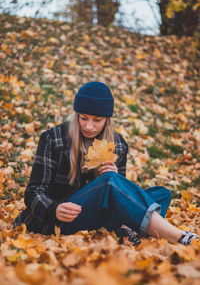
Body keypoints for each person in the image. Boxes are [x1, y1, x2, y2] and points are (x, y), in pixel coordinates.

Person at [14, 81, 199, 246]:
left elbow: (122, 196)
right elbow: (33, 191)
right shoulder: (53, 139)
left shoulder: (118, 144)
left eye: (97, 120)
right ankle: (181, 237)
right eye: (84, 118)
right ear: (76, 114)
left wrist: (116, 176)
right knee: (112, 182)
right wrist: (54, 209)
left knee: (162, 194)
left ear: (107, 120)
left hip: (96, 217)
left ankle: (126, 230)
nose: (89, 126)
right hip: (60, 218)